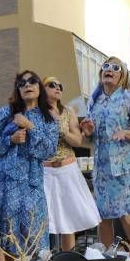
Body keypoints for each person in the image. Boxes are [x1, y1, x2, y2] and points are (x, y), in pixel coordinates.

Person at [79, 57, 130, 253]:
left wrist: (125, 133)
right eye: (105, 66)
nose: (109, 70)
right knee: (102, 216)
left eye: (115, 67)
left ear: (122, 75)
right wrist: (88, 129)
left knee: (125, 214)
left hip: (125, 169)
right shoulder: (95, 102)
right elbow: (90, 138)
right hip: (102, 169)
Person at [0, 71, 58, 255]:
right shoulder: (6, 112)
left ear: (39, 87)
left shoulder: (48, 117)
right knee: (7, 233)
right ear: (17, 89)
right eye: (22, 82)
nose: (27, 85)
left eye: (32, 81)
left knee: (34, 232)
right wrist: (10, 139)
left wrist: (29, 126)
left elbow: (49, 150)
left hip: (32, 182)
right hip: (4, 181)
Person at [41, 76, 101, 251]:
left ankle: (68, 260)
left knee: (68, 222)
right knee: (46, 220)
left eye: (60, 85)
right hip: (45, 170)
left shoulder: (68, 111)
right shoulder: (37, 113)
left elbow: (77, 140)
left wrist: (63, 131)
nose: (57, 87)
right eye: (52, 84)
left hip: (67, 169)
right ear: (42, 89)